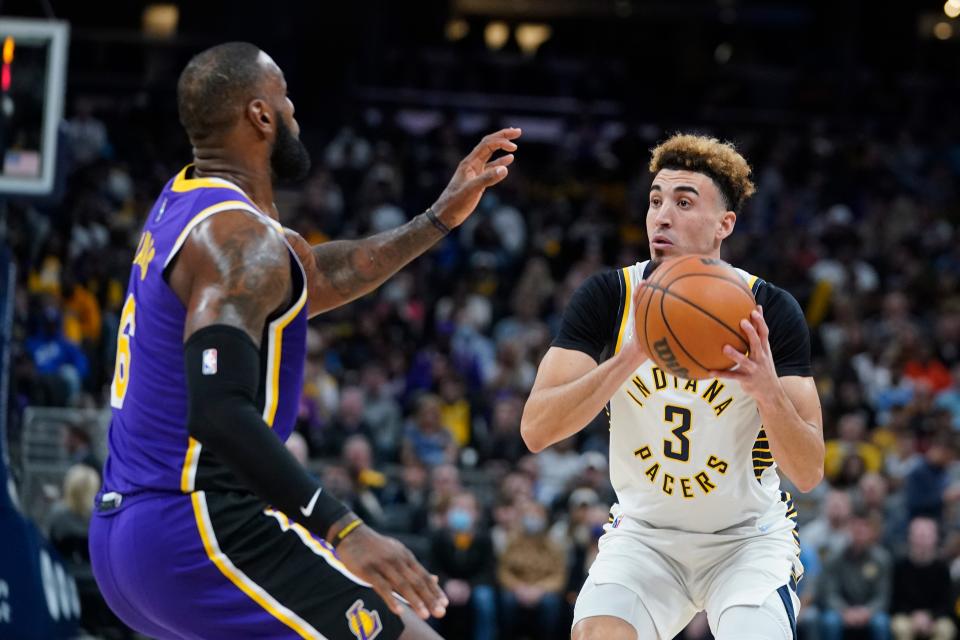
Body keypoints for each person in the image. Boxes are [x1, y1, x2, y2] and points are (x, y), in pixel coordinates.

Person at [88, 41, 520, 640]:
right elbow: (218, 411)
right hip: (196, 527)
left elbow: (317, 276)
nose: (294, 112)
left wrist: (438, 218)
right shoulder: (238, 240)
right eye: (285, 98)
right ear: (260, 116)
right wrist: (344, 528)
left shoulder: (187, 201)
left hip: (123, 539)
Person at [521, 134, 824, 640]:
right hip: (646, 537)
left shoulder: (768, 310)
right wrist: (633, 354)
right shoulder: (609, 296)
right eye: (656, 200)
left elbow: (809, 471)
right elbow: (536, 430)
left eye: (684, 202)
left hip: (746, 540)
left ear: (724, 224)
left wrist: (767, 389)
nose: (662, 216)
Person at [889, 518, 956, 640]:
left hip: (935, 618)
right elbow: (895, 602)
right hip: (907, 616)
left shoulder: (942, 568)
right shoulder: (900, 567)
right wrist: (914, 616)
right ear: (910, 537)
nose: (922, 540)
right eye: (918, 535)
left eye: (926, 536)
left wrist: (930, 617)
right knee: (901, 627)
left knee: (946, 628)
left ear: (935, 538)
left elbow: (947, 603)